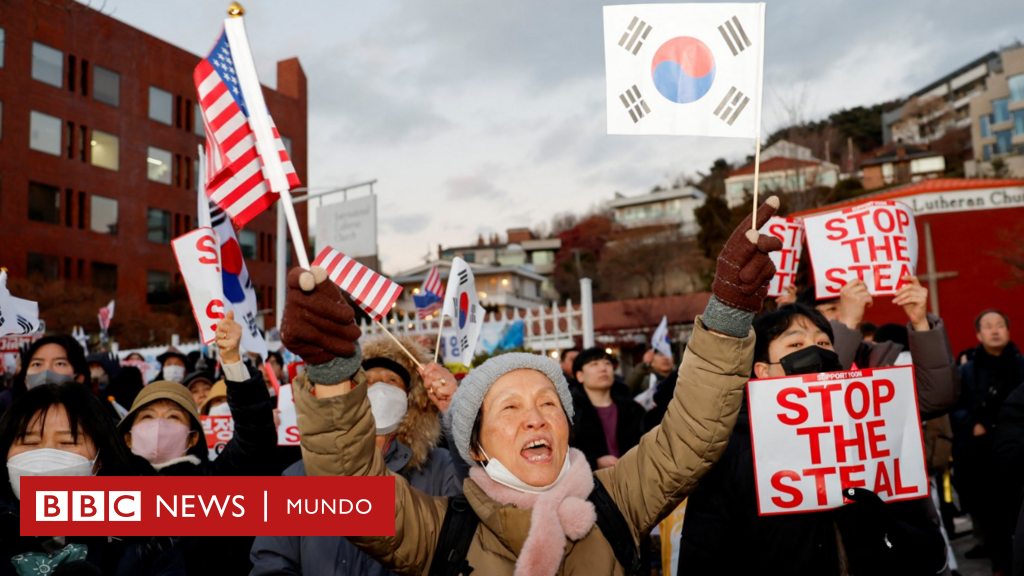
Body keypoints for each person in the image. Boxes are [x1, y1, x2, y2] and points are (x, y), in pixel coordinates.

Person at [280, 197, 783, 575]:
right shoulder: (441, 531)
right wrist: (331, 373)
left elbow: (692, 435)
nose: (535, 417)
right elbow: (346, 492)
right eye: (510, 407)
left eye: (549, 402)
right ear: (475, 442)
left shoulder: (617, 502)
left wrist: (729, 313)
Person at [678, 304, 949, 575]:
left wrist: (885, 527)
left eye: (823, 342)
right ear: (762, 371)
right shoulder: (732, 450)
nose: (815, 351)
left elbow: (932, 554)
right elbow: (704, 554)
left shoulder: (873, 436)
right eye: (795, 344)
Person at [249, 334, 461, 576]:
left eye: (392, 380)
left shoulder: (442, 467)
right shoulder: (299, 476)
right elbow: (272, 561)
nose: (380, 389)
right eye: (369, 382)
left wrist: (457, 410)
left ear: (410, 398)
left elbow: (468, 536)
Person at [116, 312, 276, 576]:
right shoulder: (105, 488)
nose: (159, 425)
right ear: (127, 435)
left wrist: (233, 361)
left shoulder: (215, 482)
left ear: (193, 436)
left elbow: (255, 439)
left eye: (173, 417)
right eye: (147, 416)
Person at [0, 382, 183, 574]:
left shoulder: (148, 539)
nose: (46, 455)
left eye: (67, 442)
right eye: (30, 442)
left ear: (99, 458)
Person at [952, 309, 1024, 568]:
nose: (995, 330)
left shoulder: (1020, 365)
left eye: (1000, 325)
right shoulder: (966, 371)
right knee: (987, 511)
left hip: (1016, 454)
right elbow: (954, 407)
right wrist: (971, 424)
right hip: (979, 454)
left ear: (1008, 330)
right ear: (978, 334)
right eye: (988, 326)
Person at [569, 347, 645, 470]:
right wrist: (594, 462)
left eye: (607, 363)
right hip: (591, 482)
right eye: (594, 364)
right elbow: (564, 454)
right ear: (580, 376)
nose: (603, 369)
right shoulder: (570, 413)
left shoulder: (633, 409)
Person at [0, 335, 91, 416]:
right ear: (25, 378)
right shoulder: (10, 423)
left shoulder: (92, 423)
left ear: (79, 378)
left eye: (60, 364)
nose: (46, 371)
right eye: (37, 364)